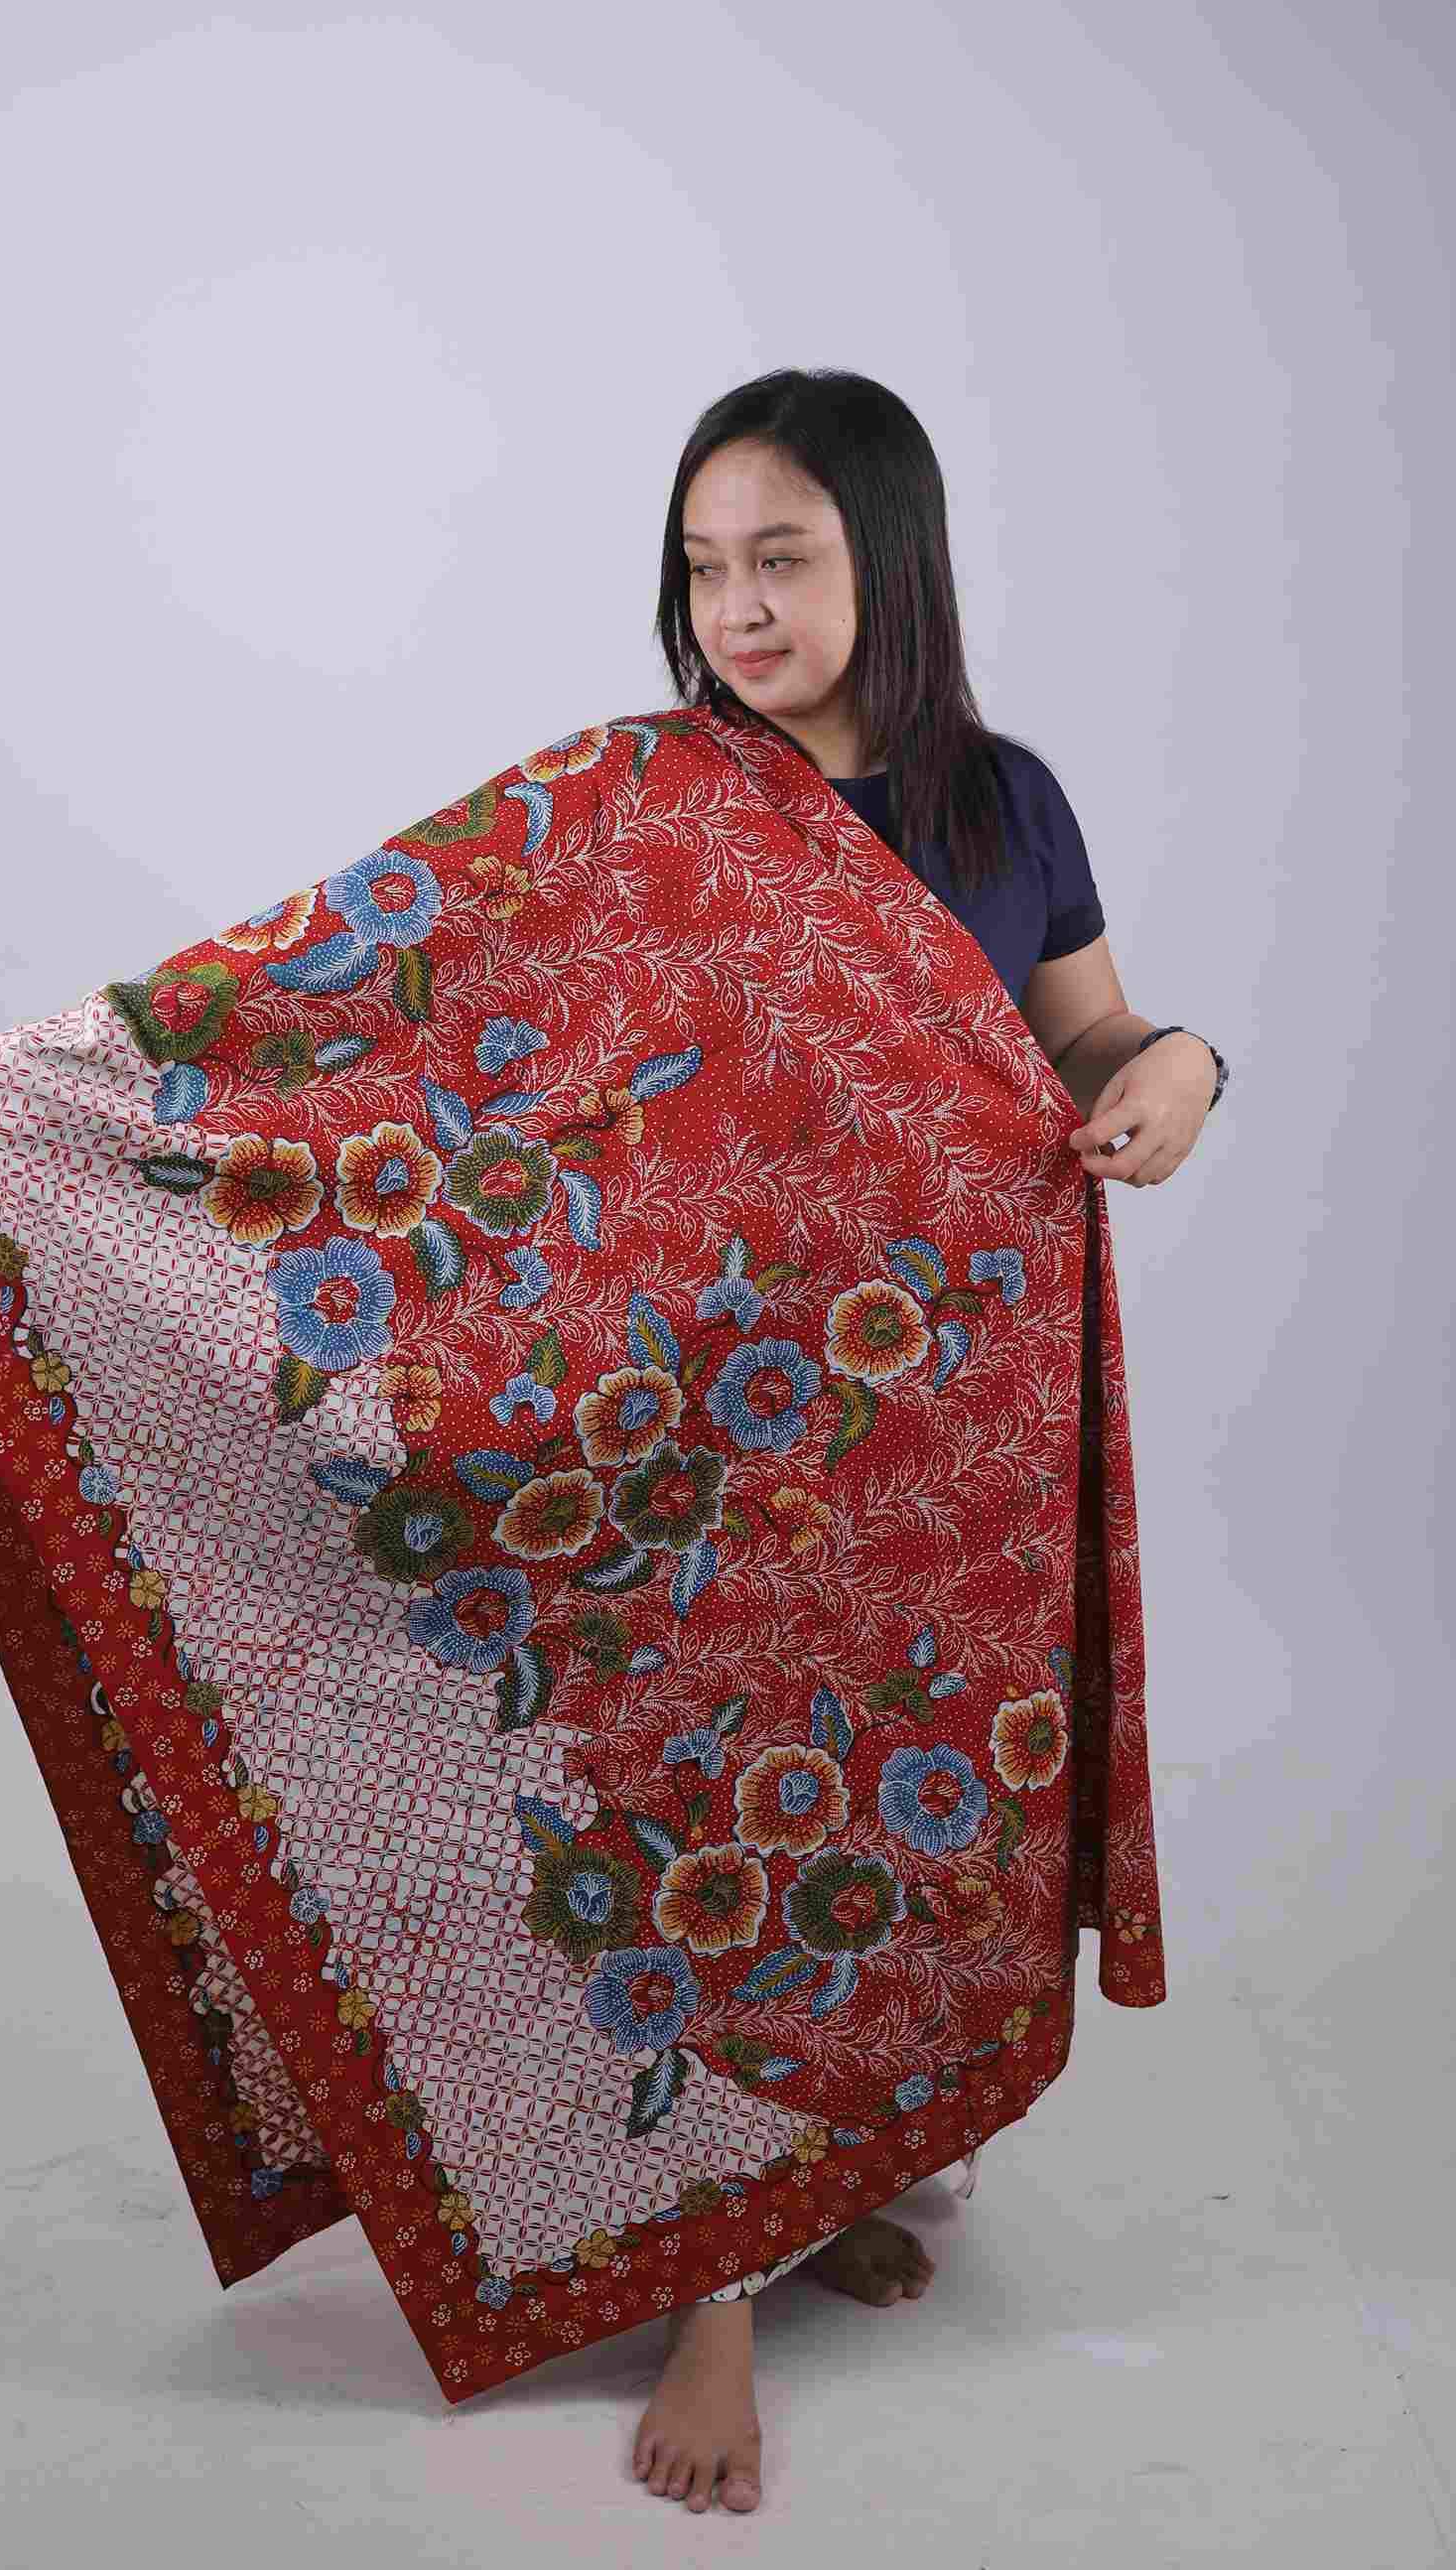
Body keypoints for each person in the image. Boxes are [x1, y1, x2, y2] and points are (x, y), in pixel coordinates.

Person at [626, 369, 1226, 2515]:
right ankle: (706, 2292)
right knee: (715, 1807)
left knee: (906, 1801)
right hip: (715, 1405)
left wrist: (1183, 1067)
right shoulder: (649, 805)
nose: (738, 608)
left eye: (780, 557)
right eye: (705, 565)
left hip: (957, 1415)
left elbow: (1088, 1031)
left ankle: (835, 2179)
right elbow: (496, 1051)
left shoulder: (1001, 803)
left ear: (890, 556)